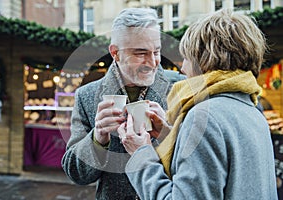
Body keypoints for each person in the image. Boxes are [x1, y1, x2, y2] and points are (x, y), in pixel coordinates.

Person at [118, 8, 278, 199]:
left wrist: (140, 154)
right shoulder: (251, 111)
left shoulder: (205, 117)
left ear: (203, 59)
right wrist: (168, 135)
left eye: (186, 56)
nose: (183, 68)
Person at [61, 8, 184, 200]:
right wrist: (98, 137)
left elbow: (198, 166)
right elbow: (76, 174)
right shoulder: (87, 95)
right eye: (141, 53)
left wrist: (167, 135)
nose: (152, 62)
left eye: (157, 51)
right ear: (115, 53)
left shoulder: (180, 88)